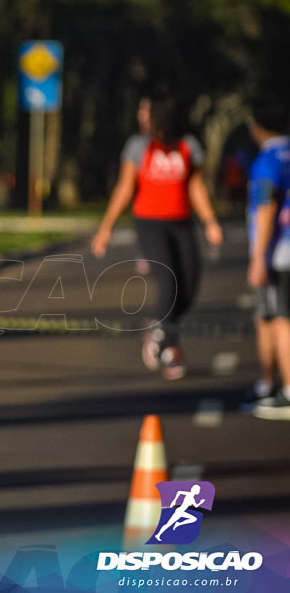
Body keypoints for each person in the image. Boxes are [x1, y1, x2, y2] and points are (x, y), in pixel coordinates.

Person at [92, 95, 224, 380]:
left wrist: (210, 221)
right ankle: (170, 347)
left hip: (183, 222)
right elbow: (125, 188)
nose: (141, 116)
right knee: (168, 282)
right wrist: (106, 228)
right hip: (150, 223)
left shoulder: (188, 145)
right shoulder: (138, 146)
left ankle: (158, 325)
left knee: (188, 285)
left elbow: (196, 186)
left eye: (146, 110)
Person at [245, 96, 290, 419]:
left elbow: (266, 206)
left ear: (257, 126)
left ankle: (285, 388)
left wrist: (259, 256)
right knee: (268, 318)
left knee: (278, 320)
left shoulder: (267, 162)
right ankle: (268, 385)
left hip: (279, 252)